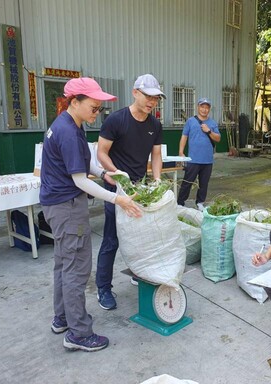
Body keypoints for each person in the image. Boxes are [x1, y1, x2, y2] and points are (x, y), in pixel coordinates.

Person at [40, 77, 142, 352]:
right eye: (94, 107)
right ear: (75, 102)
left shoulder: (67, 123)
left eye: (100, 108)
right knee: (77, 269)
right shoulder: (69, 132)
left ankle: (63, 317)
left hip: (56, 205)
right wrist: (117, 198)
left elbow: (84, 165)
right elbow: (79, 180)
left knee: (63, 263)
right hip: (67, 207)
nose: (97, 113)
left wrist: (105, 173)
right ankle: (79, 334)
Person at [95, 74, 165, 310]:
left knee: (142, 235)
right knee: (112, 239)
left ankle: (139, 273)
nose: (152, 102)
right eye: (148, 96)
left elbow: (156, 155)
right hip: (117, 189)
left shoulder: (155, 124)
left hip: (141, 188)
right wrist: (118, 176)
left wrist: (156, 181)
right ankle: (103, 288)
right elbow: (101, 153)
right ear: (135, 92)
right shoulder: (116, 120)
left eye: (155, 98)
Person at [177, 97, 221, 211]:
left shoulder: (212, 123)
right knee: (187, 182)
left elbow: (218, 138)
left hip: (207, 160)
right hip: (193, 159)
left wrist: (209, 131)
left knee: (204, 183)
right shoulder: (190, 121)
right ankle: (180, 202)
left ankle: (200, 202)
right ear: (198, 107)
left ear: (209, 109)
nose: (204, 109)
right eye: (202, 107)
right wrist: (181, 152)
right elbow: (184, 137)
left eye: (207, 107)